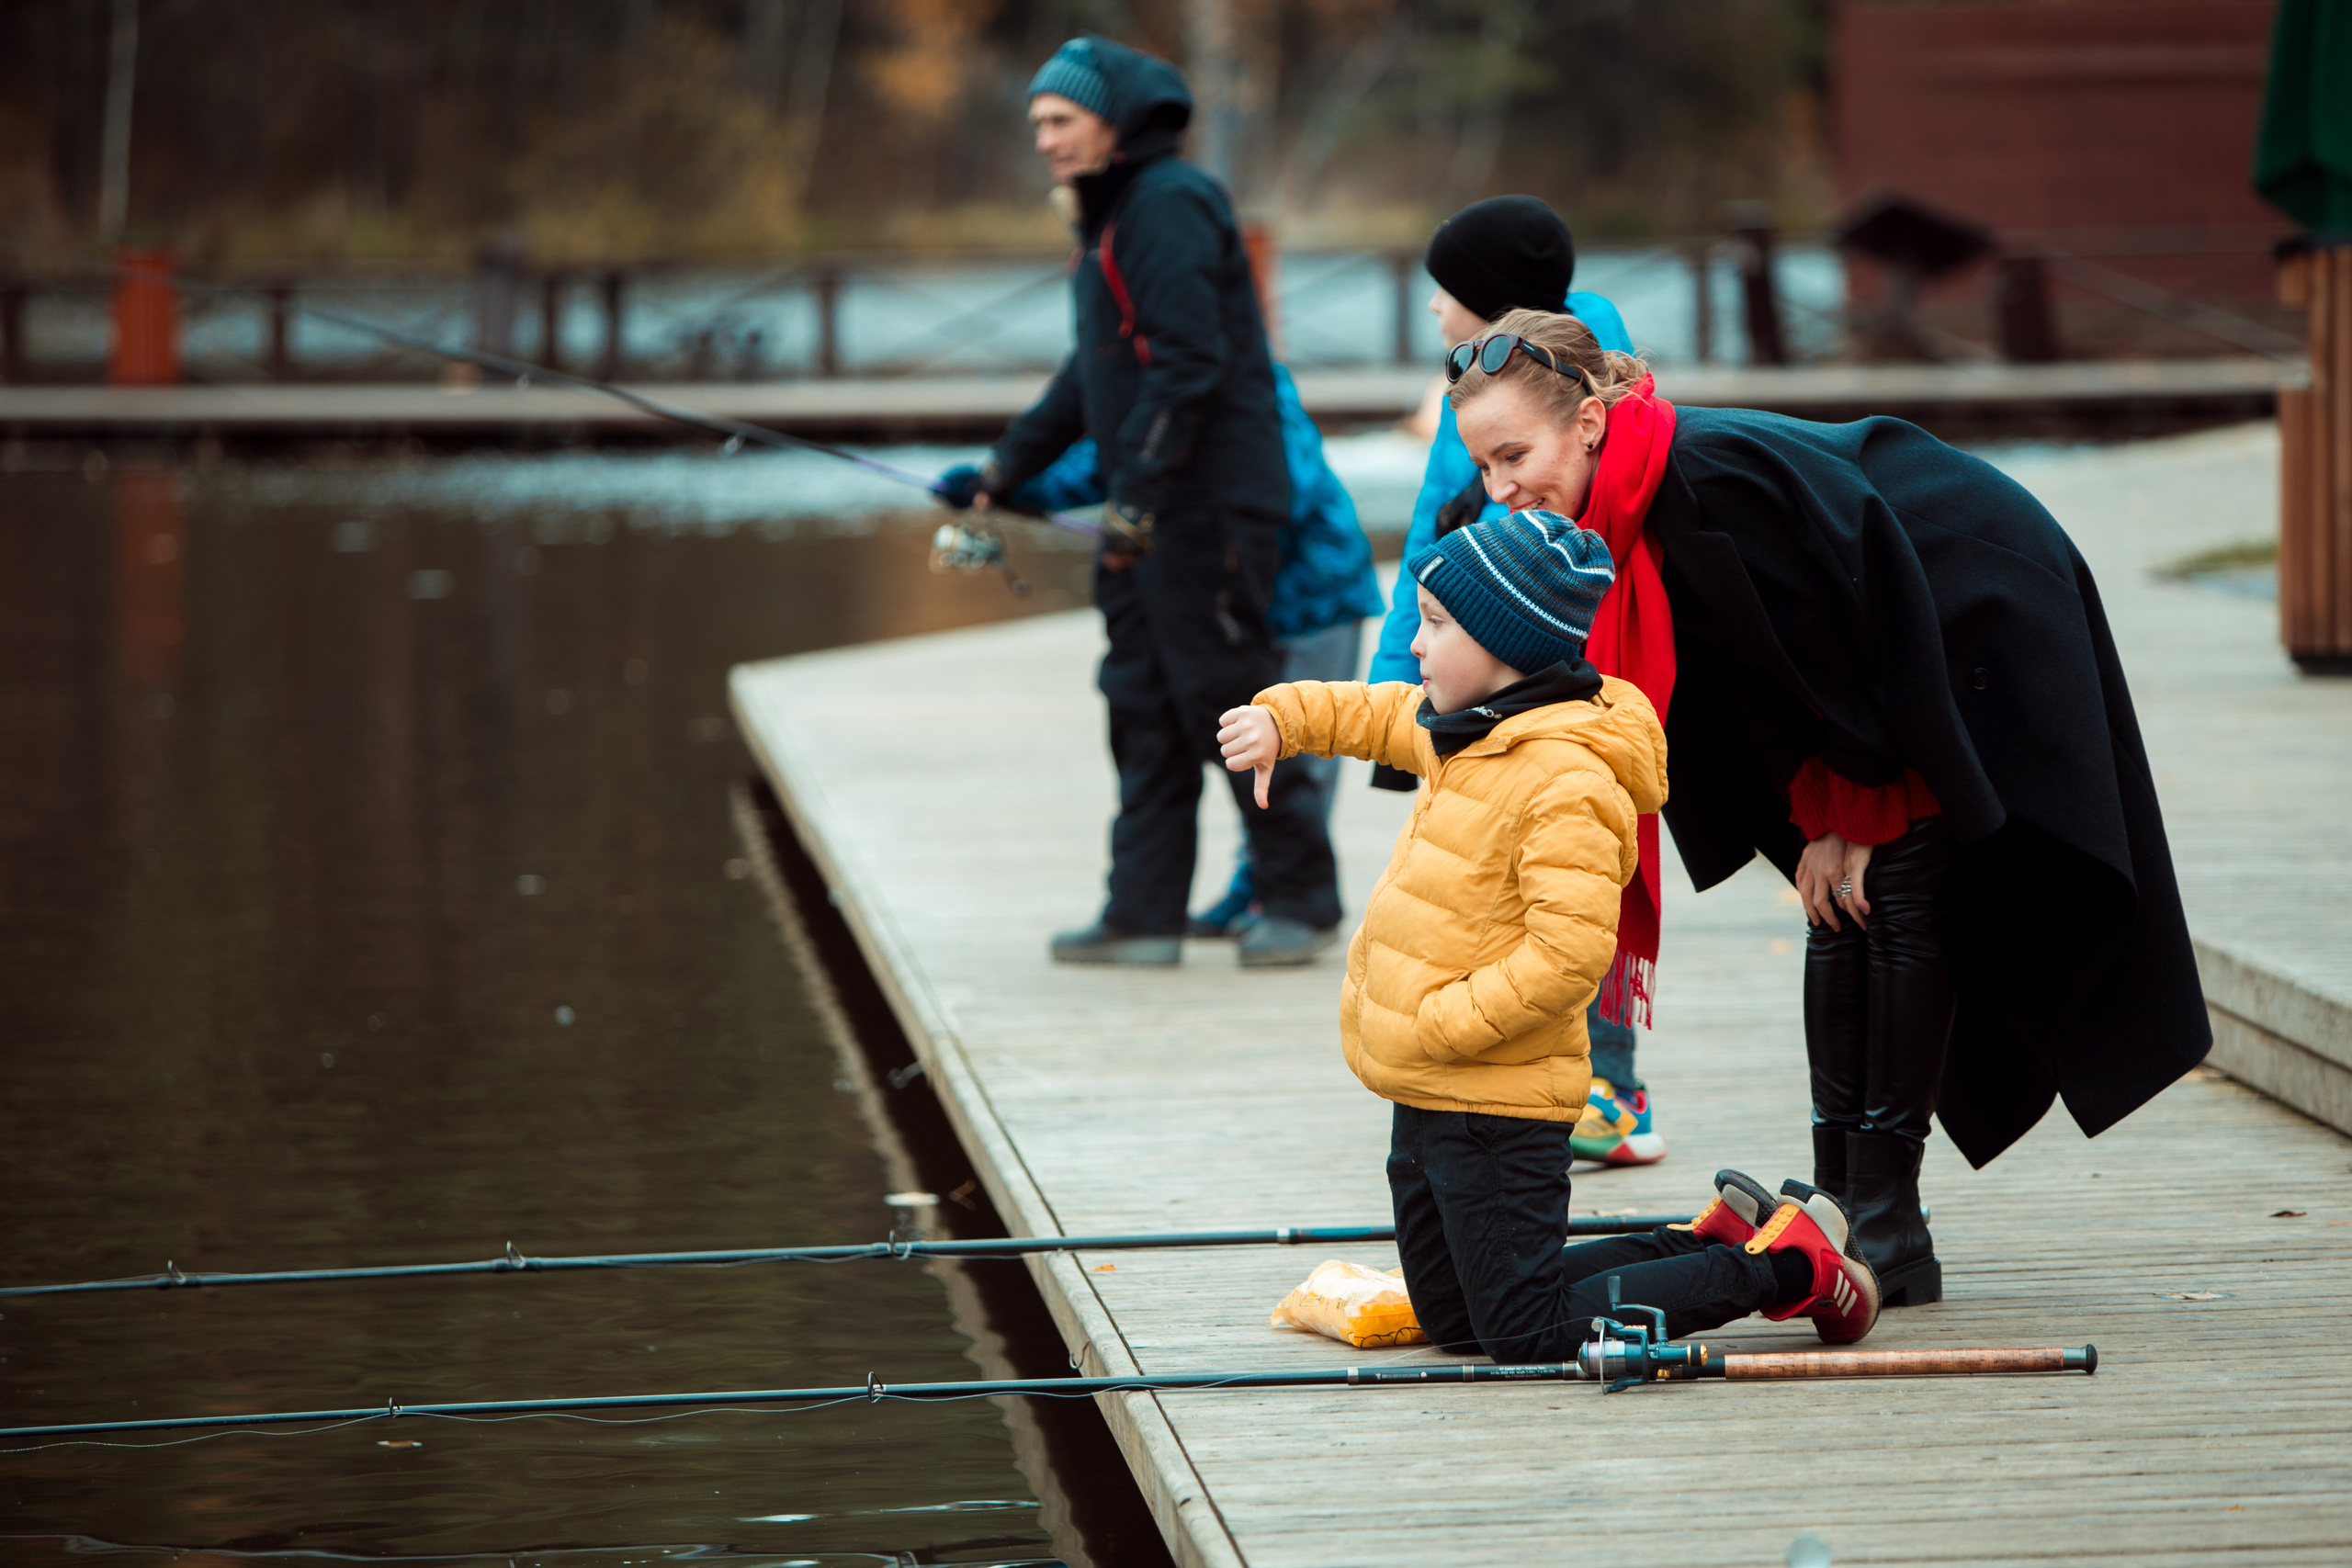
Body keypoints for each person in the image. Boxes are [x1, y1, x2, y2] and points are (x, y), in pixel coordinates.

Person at [1440, 307, 2210, 1307]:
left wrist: (1857, 810)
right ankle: (1838, 1197)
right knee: (1836, 900)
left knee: (1899, 883)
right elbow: (1760, 676)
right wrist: (1818, 815)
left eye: (1514, 456)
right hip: (1882, 668)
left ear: (1587, 421)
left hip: (1978, 615)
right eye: (1486, 467)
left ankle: (1888, 1220)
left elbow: (1855, 643)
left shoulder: (1706, 478)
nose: (1502, 490)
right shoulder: (1628, 502)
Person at [1215, 507, 1880, 1359]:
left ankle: (1788, 1268)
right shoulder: (1472, 727)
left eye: (1437, 625)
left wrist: (1442, 1022)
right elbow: (1378, 715)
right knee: (1460, 1319)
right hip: (1423, 1090)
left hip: (1495, 1095)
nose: (1416, 646)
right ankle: (1713, 1242)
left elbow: (1568, 957)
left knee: (1524, 1328)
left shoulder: (1565, 778)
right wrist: (1286, 718)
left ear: (1505, 647)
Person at [938, 36, 1342, 969]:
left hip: (1206, 511)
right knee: (1142, 706)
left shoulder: (1168, 205)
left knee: (1227, 697)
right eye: (1035, 123)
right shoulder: (1109, 220)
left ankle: (1299, 899)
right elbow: (1093, 375)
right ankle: (1142, 914)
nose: (1042, 139)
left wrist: (1139, 498)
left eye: (1059, 121)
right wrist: (1002, 473)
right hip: (1149, 512)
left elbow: (1191, 363)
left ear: (1113, 122)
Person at [1368, 197, 1661, 1173]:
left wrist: (1396, 674)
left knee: (1561, 872)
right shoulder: (1544, 370)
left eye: (1443, 296)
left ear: (1489, 306)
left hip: (1550, 677)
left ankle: (1602, 1085)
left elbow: (1429, 541)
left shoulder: (1517, 387)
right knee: (1557, 873)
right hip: (1536, 673)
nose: (1434, 315)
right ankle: (1581, 1081)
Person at [1002, 364, 1385, 941]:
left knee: (1299, 752)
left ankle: (1284, 901)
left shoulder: (1253, 388)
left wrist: (1204, 526)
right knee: (1241, 741)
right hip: (1238, 605)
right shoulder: (1154, 394)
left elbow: (1287, 485)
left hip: (1313, 600)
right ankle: (1250, 892)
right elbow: (1112, 466)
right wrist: (1006, 483)